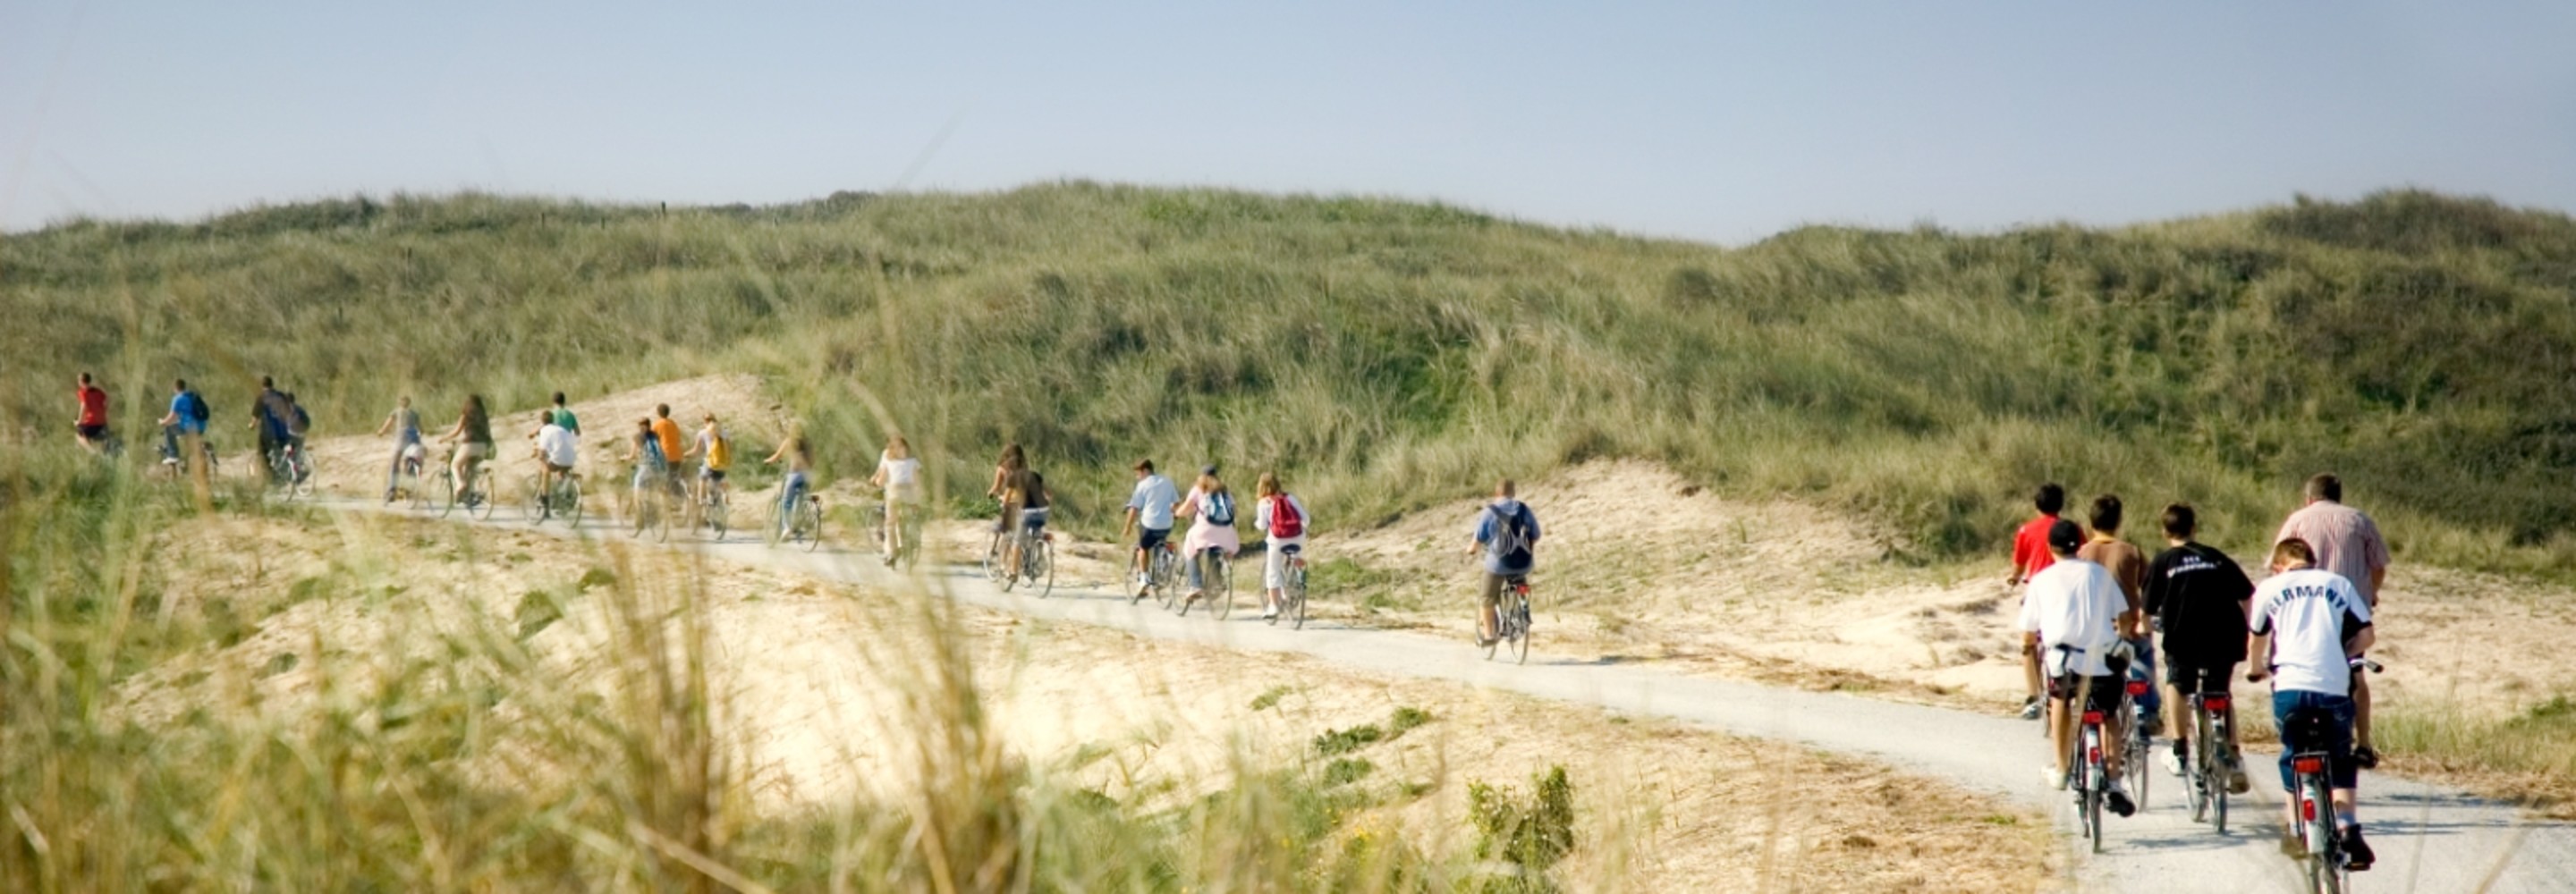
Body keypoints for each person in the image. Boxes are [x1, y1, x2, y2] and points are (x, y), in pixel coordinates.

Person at [2247, 537, 2377, 871]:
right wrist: (2340, 654)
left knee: (2292, 754)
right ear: (2312, 561)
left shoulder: (2270, 587)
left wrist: (2255, 668)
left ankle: (2294, 828)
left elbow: (2257, 638)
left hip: (2290, 687)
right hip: (2332, 685)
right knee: (2340, 756)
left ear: (2279, 565)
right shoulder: (2338, 583)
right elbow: (2367, 636)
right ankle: (2347, 824)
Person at [2020, 519, 2137, 816]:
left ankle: (2061, 768)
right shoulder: (2099, 575)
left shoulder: (2042, 580)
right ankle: (2112, 781)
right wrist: (2123, 637)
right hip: (2102, 661)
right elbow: (2124, 616)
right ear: (2080, 545)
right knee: (2109, 716)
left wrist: (2030, 647)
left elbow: (2028, 634)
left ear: (2050, 548)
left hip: (2064, 661)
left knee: (2059, 703)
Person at [2275, 474, 2392, 769]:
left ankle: (2299, 739)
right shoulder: (2359, 520)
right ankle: (2363, 743)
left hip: (2308, 610)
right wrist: (2371, 594)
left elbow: (2278, 565)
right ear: (2338, 496)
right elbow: (2379, 565)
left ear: (2309, 498)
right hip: (2349, 612)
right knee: (2355, 673)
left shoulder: (2297, 520)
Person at [2144, 503, 2254, 793]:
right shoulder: (2215, 557)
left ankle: (2180, 749)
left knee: (2178, 683)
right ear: (2194, 528)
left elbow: (2146, 609)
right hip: (2225, 637)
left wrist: (2144, 627)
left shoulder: (2164, 561)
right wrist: (2243, 624)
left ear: (2165, 531)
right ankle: (2235, 757)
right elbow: (2246, 594)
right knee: (2220, 692)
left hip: (2184, 640)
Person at [2077, 494, 2158, 731]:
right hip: (2127, 630)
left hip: (2093, 632)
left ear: (2091, 523)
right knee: (2143, 655)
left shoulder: (2081, 553)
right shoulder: (2131, 551)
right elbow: (2149, 587)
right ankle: (2146, 709)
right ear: (2119, 521)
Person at [2009, 483, 2070, 721]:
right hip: (2067, 592)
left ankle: (2033, 696)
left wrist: (2013, 577)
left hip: (2038, 592)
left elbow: (2019, 564)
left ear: (2036, 505)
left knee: (2028, 644)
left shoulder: (2027, 530)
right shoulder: (2069, 528)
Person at [1464, 479, 1541, 647]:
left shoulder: (1490, 512)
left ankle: (1489, 635)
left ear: (1496, 494)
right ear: (1513, 493)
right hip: (1524, 563)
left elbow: (1477, 541)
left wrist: (1470, 550)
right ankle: (1523, 610)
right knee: (1520, 582)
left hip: (1498, 565)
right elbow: (1536, 535)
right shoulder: (1523, 509)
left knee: (1486, 597)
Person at [1175, 466, 1241, 605]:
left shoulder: (1198, 489)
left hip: (1205, 529)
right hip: (1226, 530)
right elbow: (1234, 511)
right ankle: (1216, 582)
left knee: (1190, 549)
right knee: (1215, 548)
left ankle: (1196, 585)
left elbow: (1185, 509)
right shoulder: (1224, 491)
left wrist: (1176, 514)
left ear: (1201, 476)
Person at [1254, 472, 1310, 620]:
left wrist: (1259, 524)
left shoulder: (1263, 503)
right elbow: (1306, 519)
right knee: (1295, 555)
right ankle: (1297, 574)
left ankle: (1273, 606)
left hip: (1278, 540)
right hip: (1297, 538)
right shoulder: (1289, 498)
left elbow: (1261, 526)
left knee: (1272, 572)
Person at [1122, 459, 1182, 597]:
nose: (1137, 477)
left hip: (1150, 524)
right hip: (1167, 524)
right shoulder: (1167, 481)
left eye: (1138, 474)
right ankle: (1163, 565)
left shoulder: (1142, 485)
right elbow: (1176, 504)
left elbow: (1134, 508)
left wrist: (1127, 527)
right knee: (1160, 540)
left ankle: (1143, 579)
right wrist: (1171, 513)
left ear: (1145, 471)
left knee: (1143, 547)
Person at [869, 435, 920, 565]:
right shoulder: (913, 461)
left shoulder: (888, 461)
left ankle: (892, 553)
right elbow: (917, 481)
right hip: (910, 495)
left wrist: (875, 481)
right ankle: (913, 535)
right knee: (911, 514)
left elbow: (881, 482)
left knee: (890, 524)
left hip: (895, 494)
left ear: (891, 450)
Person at [436, 395, 496, 504]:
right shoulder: (484, 417)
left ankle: (460, 485)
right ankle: (469, 494)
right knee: (470, 468)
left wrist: (443, 438)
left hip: (470, 444)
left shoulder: (466, 414)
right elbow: (488, 433)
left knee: (455, 465)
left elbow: (456, 431)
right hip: (483, 447)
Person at [999, 462, 1051, 573]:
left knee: (1017, 541)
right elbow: (1049, 494)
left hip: (1028, 512)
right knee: (1037, 533)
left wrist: (1004, 505)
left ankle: (1013, 572)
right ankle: (1040, 556)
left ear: (1011, 470)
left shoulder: (1013, 478)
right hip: (1044, 511)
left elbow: (1006, 500)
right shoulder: (1035, 475)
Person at [764, 423, 813, 536]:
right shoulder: (808, 442)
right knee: (800, 498)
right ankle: (799, 523)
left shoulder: (790, 441)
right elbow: (813, 459)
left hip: (794, 475)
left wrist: (767, 461)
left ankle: (786, 528)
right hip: (808, 475)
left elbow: (777, 456)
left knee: (786, 502)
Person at [375, 395, 425, 502]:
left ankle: (392, 490)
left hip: (401, 438)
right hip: (414, 439)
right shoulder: (414, 414)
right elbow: (421, 429)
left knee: (395, 463)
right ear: (409, 403)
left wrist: (381, 432)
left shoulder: (396, 412)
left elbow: (387, 425)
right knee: (410, 462)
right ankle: (409, 488)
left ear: (399, 403)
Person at [157, 378, 211, 474]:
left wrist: (163, 422)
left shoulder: (177, 398)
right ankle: (194, 460)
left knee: (169, 429)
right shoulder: (193, 396)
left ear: (175, 388)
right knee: (189, 443)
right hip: (201, 426)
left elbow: (172, 416)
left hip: (188, 427)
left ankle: (173, 455)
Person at [682, 414, 733, 510]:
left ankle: (701, 501)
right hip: (722, 462)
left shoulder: (703, 433)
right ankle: (725, 494)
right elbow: (729, 448)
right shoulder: (724, 432)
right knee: (722, 478)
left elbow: (696, 450)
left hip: (711, 462)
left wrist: (685, 455)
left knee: (702, 478)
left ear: (705, 422)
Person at [533, 412, 579, 510]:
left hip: (558, 459)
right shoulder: (561, 429)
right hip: (571, 458)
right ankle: (562, 497)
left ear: (542, 421)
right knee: (561, 471)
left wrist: (539, 456)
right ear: (553, 420)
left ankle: (544, 499)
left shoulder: (544, 430)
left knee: (545, 468)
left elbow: (542, 450)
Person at [253, 376, 294, 478]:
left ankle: (271, 476)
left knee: (262, 452)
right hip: (283, 429)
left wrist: (251, 425)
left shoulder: (261, 398)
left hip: (268, 432)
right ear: (272, 385)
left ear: (263, 386)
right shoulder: (281, 395)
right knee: (284, 448)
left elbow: (255, 417)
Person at [73, 373, 111, 454]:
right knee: (86, 435)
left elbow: (83, 406)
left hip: (91, 423)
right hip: (102, 423)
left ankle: (92, 452)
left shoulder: (83, 392)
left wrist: (79, 421)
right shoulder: (99, 391)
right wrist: (103, 412)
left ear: (81, 382)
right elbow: (106, 402)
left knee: (79, 436)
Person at [650, 404, 685, 473]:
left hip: (666, 454)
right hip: (677, 454)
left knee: (667, 477)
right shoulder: (673, 423)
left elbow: (650, 438)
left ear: (658, 413)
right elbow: (678, 436)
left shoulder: (658, 424)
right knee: (675, 477)